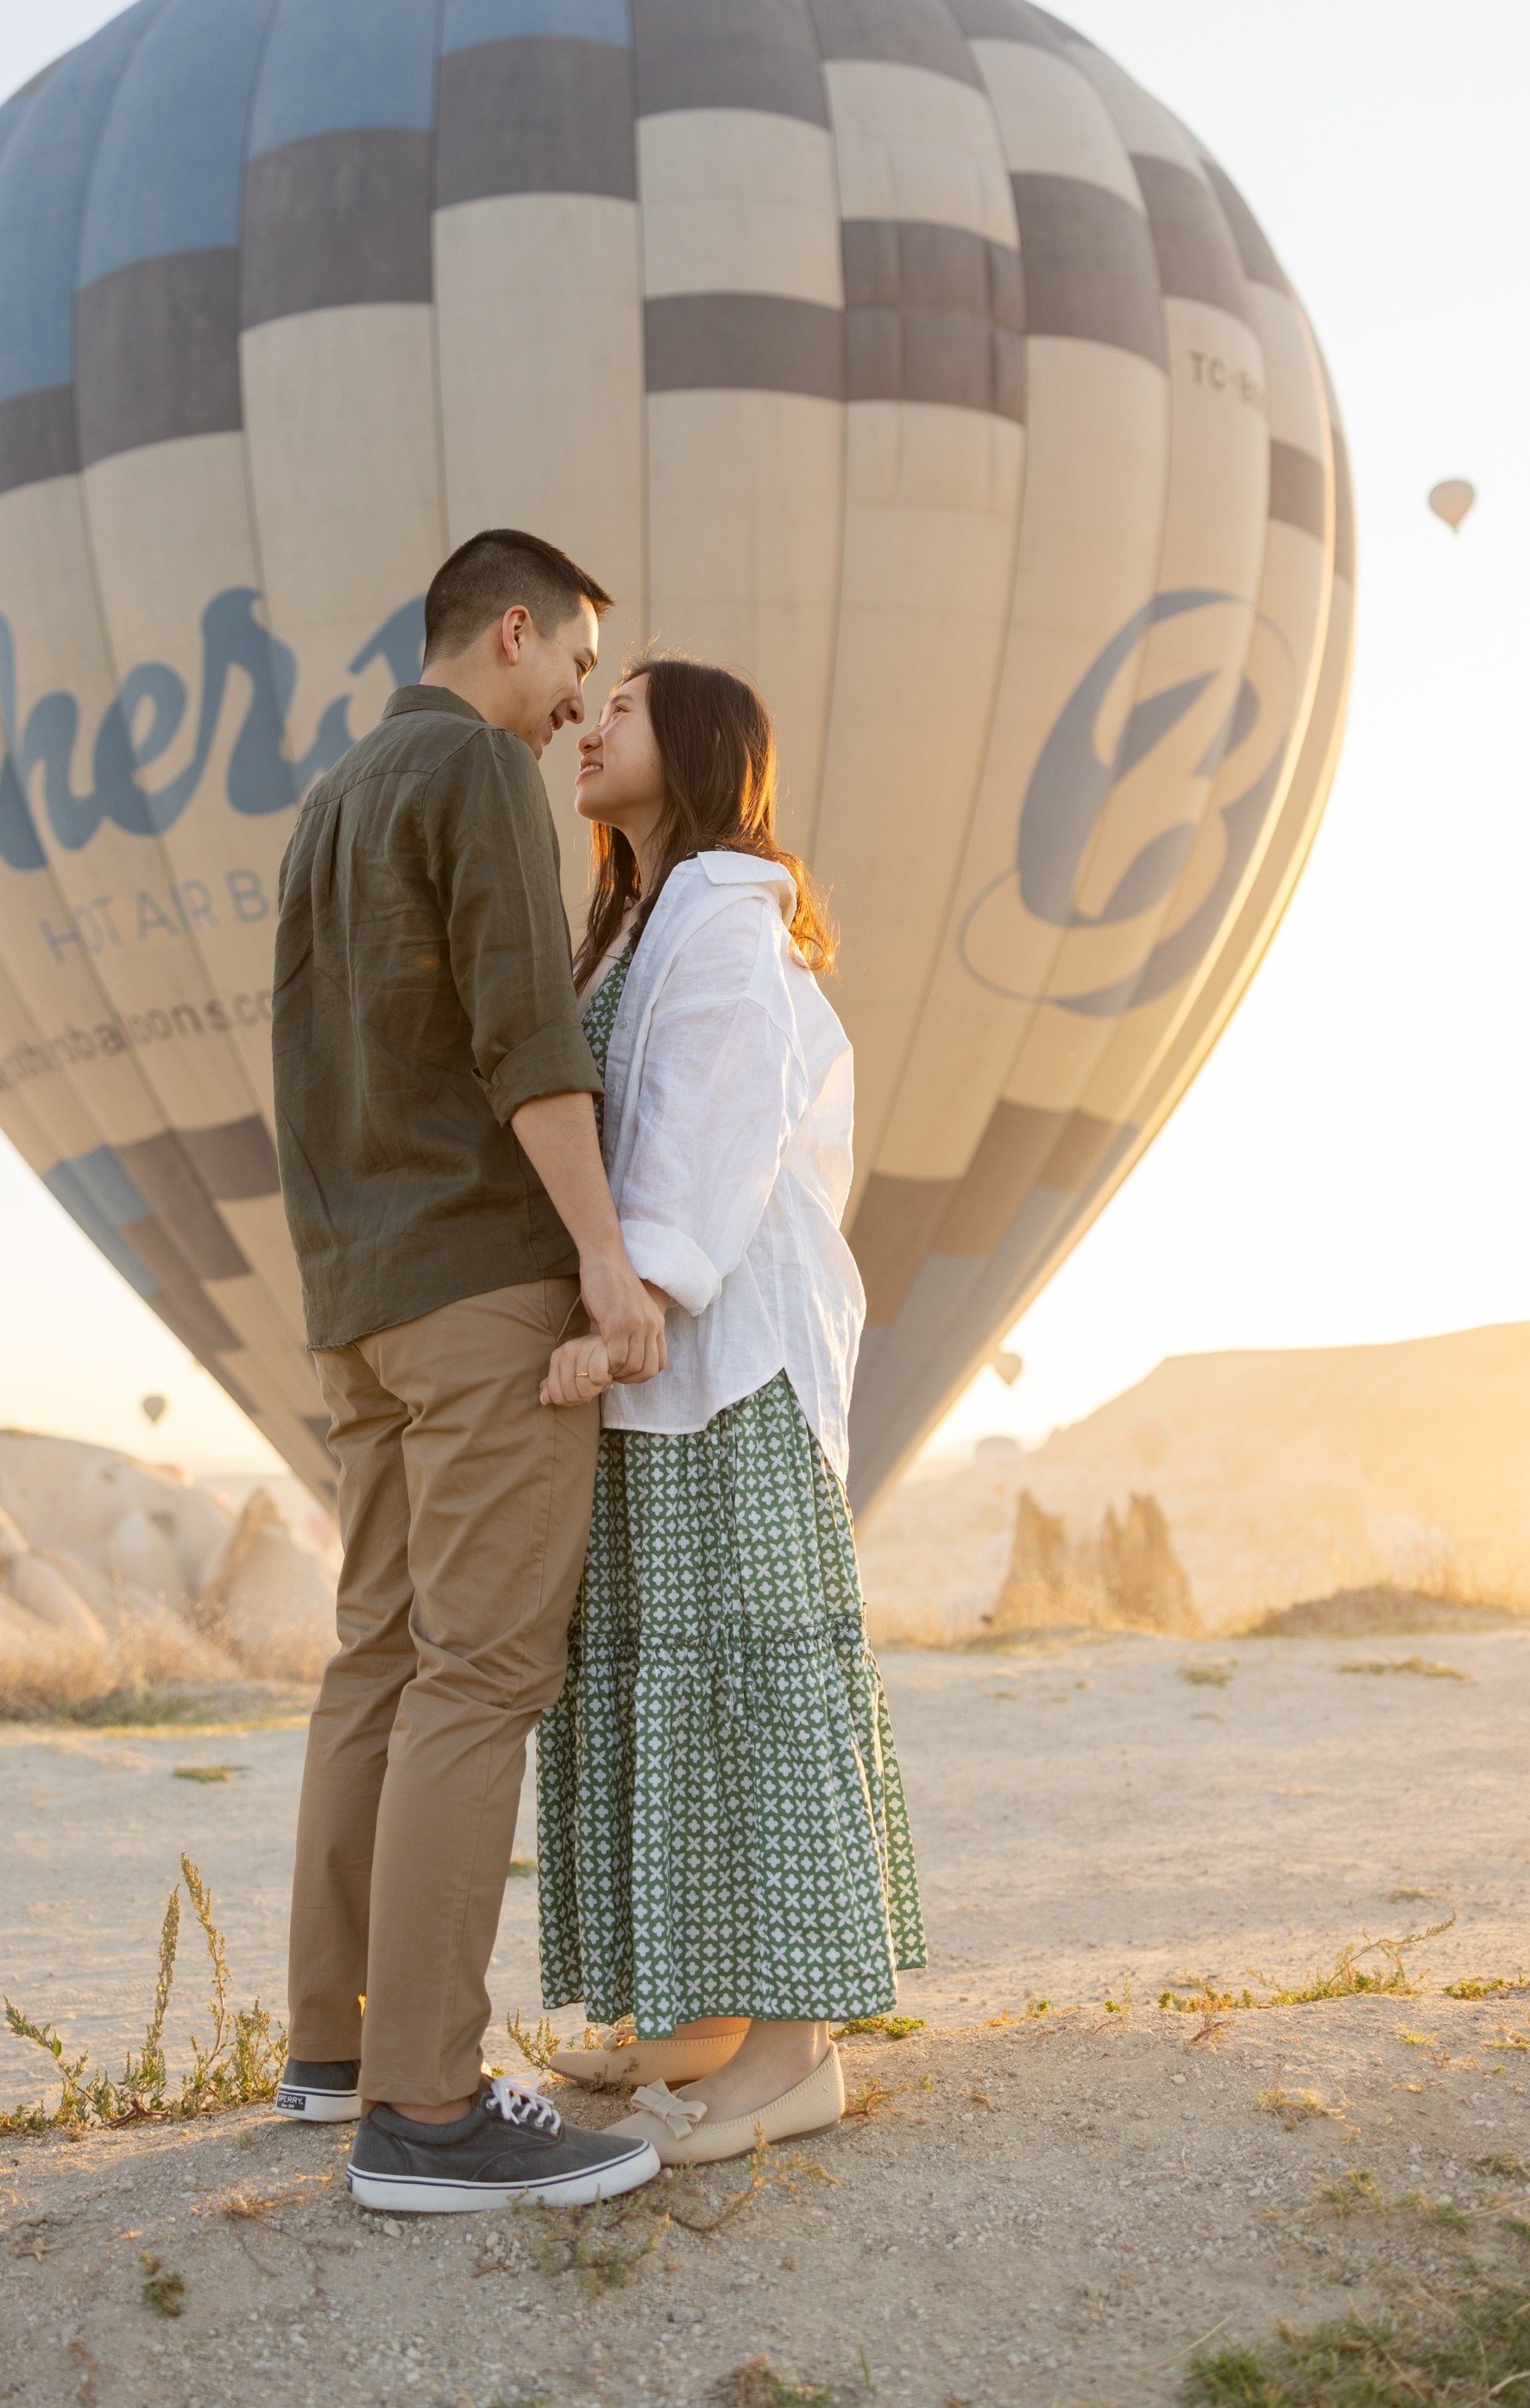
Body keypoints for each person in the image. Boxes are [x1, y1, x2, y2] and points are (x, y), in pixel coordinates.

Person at [269, 529, 669, 2213]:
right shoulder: (485, 777)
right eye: (578, 655)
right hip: (480, 1285)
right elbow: (529, 1029)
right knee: (484, 1673)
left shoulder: (333, 801)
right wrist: (598, 1248)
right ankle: (428, 2113)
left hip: (359, 1291)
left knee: (376, 1652)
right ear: (515, 631)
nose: (579, 694)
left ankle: (335, 2052)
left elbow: (305, 1072)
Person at [533, 656, 926, 2165]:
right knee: (662, 1676)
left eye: (621, 707)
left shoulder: (723, 912)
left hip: (723, 1363)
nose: (588, 724)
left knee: (752, 1682)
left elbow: (719, 1124)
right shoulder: (634, 915)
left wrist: (647, 1295)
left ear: (694, 744)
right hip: (655, 1368)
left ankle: (795, 2055)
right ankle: (697, 2017)